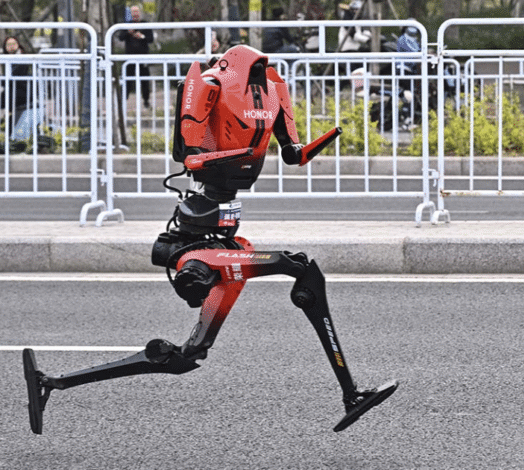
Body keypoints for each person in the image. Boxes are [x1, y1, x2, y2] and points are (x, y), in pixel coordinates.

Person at [23, 44, 398, 436]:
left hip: (223, 238)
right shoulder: (211, 82)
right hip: (196, 248)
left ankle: (54, 383)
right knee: (300, 267)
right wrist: (235, 152)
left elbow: (294, 154)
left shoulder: (272, 88)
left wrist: (330, 134)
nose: (259, 77)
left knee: (187, 356)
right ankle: (352, 394)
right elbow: (193, 158)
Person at [118, 5, 154, 108]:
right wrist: (128, 32)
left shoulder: (145, 24)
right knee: (127, 79)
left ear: (140, 13)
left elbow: (150, 39)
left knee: (145, 80)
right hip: (130, 57)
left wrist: (141, 36)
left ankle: (146, 100)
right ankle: (123, 101)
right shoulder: (127, 24)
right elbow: (120, 37)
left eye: (137, 12)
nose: (135, 14)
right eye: (133, 12)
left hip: (143, 57)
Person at [1, 36, 30, 112]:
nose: (11, 46)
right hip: (12, 90)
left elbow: (13, 78)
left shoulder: (22, 57)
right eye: (8, 44)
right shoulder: (6, 59)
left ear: (18, 44)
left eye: (13, 43)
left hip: (22, 91)